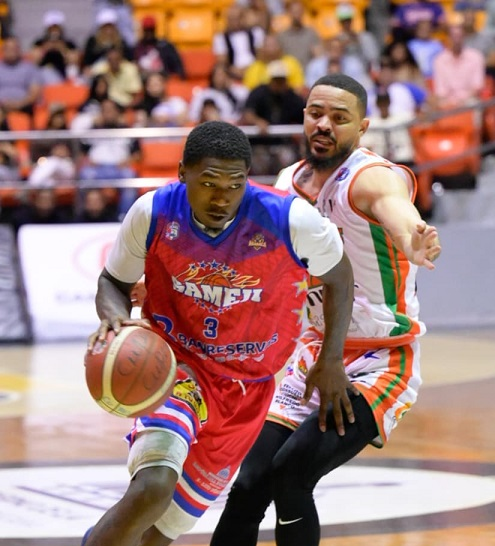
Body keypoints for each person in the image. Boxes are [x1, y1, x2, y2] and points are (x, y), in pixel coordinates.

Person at [81, 119, 354, 546]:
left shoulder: (291, 220)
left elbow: (340, 278)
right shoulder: (153, 212)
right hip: (177, 369)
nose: (222, 197)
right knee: (153, 487)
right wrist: (114, 318)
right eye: (209, 183)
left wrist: (330, 359)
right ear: (182, 173)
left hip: (247, 390)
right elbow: (113, 281)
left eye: (234, 184)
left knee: (159, 534)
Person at [210, 74, 441, 546]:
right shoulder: (287, 184)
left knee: (292, 474)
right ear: (304, 116)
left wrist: (410, 236)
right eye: (316, 113)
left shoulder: (369, 176)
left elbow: (395, 206)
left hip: (380, 359)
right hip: (314, 353)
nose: (324, 125)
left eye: (339, 118)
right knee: (249, 484)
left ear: (362, 127)